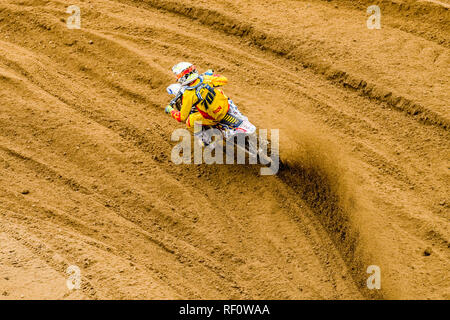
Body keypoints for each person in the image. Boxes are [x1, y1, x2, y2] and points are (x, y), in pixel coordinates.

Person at [164, 62, 245, 131]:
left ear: (183, 77)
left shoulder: (188, 95)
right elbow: (224, 80)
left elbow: (182, 117)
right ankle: (237, 113)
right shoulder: (206, 79)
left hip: (214, 118)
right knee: (220, 92)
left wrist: (171, 110)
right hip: (226, 106)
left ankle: (206, 141)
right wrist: (210, 76)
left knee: (190, 121)